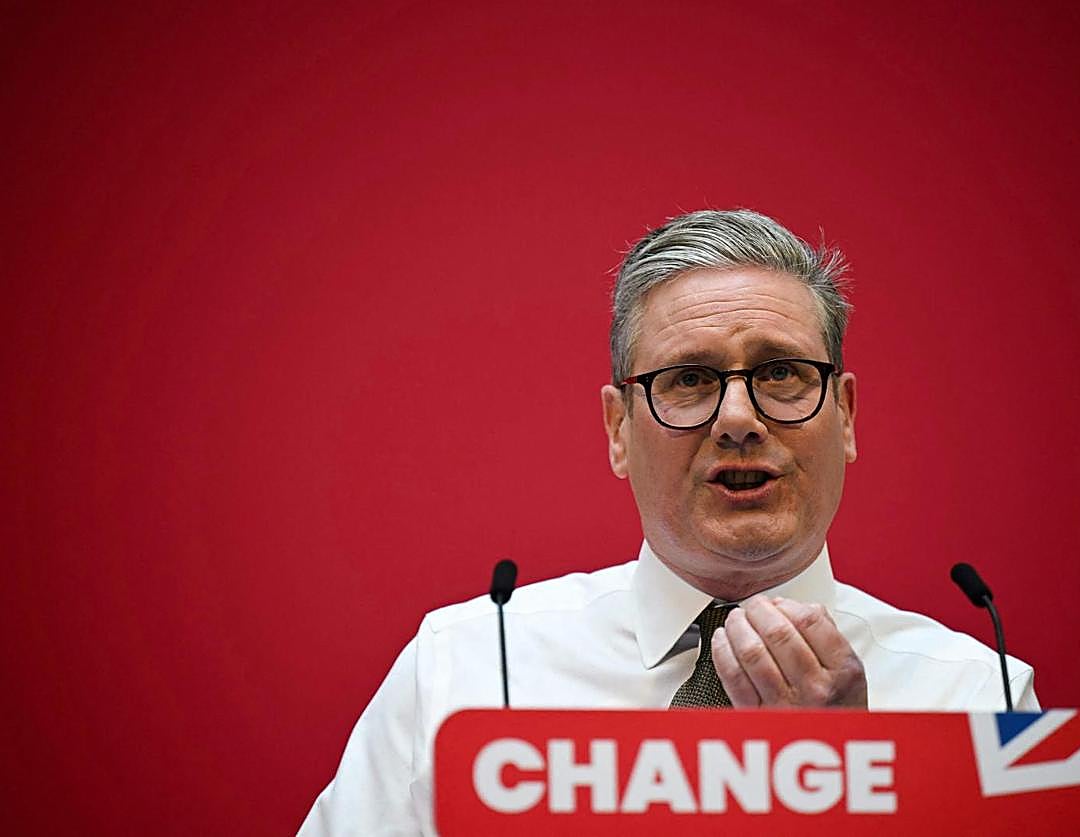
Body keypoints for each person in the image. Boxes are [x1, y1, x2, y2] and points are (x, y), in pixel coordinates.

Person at [298, 209, 1037, 835]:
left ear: (843, 414)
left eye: (780, 371)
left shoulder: (975, 698)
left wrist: (854, 790)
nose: (740, 419)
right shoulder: (463, 671)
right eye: (690, 379)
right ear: (620, 429)